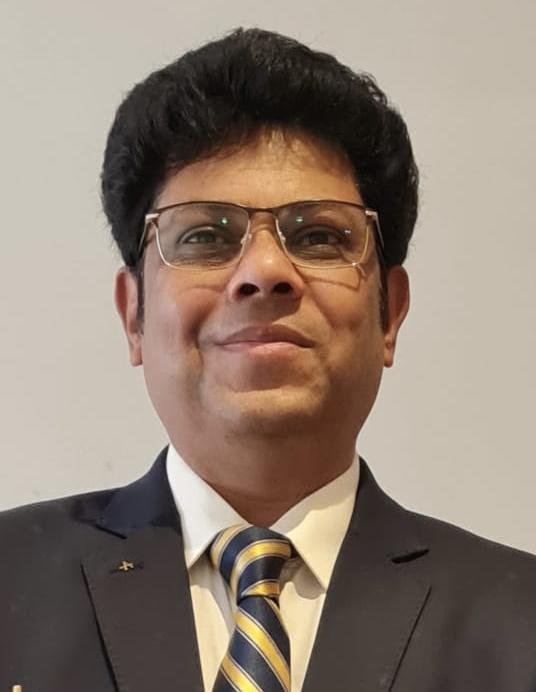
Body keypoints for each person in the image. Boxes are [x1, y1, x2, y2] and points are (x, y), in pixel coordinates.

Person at [1, 27, 535, 692]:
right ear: (132, 313)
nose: (263, 271)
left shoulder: (520, 623)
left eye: (318, 236)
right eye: (204, 236)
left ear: (390, 313)